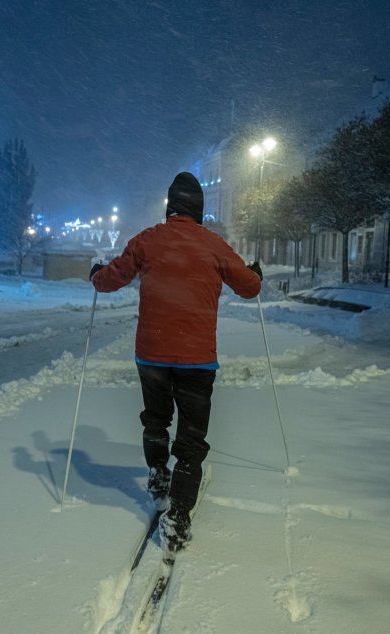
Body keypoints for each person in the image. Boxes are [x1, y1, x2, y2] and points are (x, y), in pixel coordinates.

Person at [90, 171, 262, 552]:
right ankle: (179, 516)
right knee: (191, 436)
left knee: (156, 417)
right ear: (200, 210)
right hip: (198, 359)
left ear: (170, 207)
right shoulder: (213, 245)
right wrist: (255, 274)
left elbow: (110, 278)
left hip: (152, 353)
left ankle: (157, 474)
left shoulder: (148, 240)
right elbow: (249, 288)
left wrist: (95, 274)